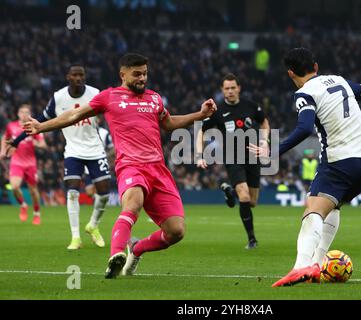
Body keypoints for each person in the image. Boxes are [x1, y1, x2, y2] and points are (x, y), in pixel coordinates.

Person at [24, 53, 217, 279]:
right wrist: (41, 126)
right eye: (136, 74)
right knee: (132, 205)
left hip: (158, 169)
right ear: (122, 74)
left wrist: (200, 114)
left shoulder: (154, 98)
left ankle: (136, 249)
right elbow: (74, 114)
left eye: (145, 73)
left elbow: (170, 123)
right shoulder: (109, 97)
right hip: (131, 166)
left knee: (176, 231)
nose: (142, 78)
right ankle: (115, 256)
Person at [250, 47, 361, 286]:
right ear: (316, 66)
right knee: (332, 208)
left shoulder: (305, 93)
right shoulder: (340, 81)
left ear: (291, 74)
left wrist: (273, 151)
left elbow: (304, 128)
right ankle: (318, 265)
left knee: (312, 210)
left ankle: (301, 266)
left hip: (339, 163)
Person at [9, 64, 112, 250]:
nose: (79, 78)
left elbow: (111, 114)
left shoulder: (95, 93)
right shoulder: (59, 97)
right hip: (72, 150)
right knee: (72, 191)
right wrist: (17, 140)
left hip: (95, 149)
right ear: (68, 77)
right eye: (75, 75)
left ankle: (93, 225)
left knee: (104, 193)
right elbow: (41, 119)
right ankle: (75, 237)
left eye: (82, 75)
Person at [196, 73, 270, 249]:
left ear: (239, 88)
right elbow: (201, 131)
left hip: (253, 156)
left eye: (232, 88)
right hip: (232, 157)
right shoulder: (218, 111)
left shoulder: (251, 106)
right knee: (244, 195)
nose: (229, 91)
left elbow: (264, 123)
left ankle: (229, 192)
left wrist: (264, 141)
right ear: (222, 90)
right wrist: (200, 155)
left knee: (251, 202)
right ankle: (252, 239)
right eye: (226, 88)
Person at [0, 104, 47, 225]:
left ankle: (36, 213)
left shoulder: (33, 126)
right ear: (18, 114)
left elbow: (43, 144)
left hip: (31, 163)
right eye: (22, 112)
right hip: (16, 162)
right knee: (14, 186)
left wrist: (35, 142)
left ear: (30, 114)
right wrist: (2, 152)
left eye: (27, 112)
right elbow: (5, 138)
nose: (24, 114)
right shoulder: (11, 126)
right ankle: (23, 204)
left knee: (33, 190)